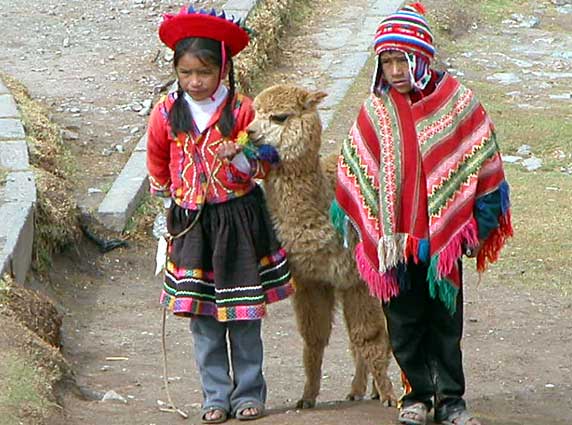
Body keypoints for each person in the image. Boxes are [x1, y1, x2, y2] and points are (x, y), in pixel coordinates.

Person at [331, 3, 513, 425]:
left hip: (442, 242)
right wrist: (367, 233)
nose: (395, 70)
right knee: (404, 320)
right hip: (395, 243)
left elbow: (482, 165)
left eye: (402, 59)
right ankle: (416, 394)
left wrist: (477, 229)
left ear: (422, 57)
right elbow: (356, 171)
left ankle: (450, 398)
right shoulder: (374, 112)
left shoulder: (459, 104)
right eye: (387, 60)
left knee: (445, 322)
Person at [146, 6, 294, 423]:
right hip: (193, 226)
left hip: (239, 222)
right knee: (204, 319)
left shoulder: (243, 110)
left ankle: (249, 392)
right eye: (187, 72)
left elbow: (268, 159)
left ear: (223, 69)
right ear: (177, 70)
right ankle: (215, 395)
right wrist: (167, 191)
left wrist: (242, 154)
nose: (196, 81)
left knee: (243, 315)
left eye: (205, 73)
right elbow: (157, 157)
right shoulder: (166, 113)